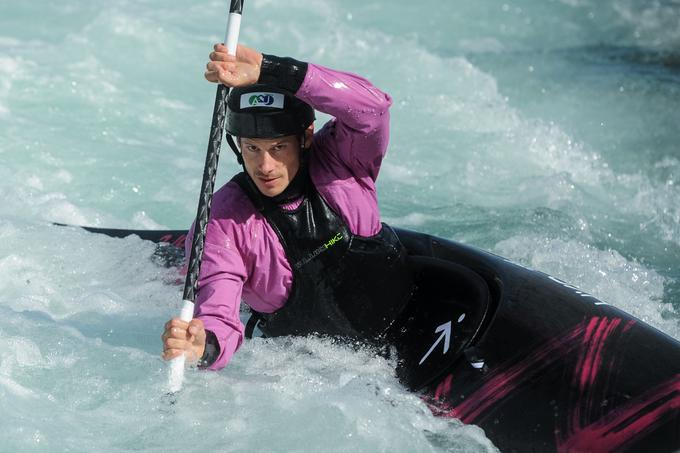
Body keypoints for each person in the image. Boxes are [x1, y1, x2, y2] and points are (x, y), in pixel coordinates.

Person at [161, 42, 414, 369]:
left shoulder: (343, 159)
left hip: (411, 320)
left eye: (278, 147)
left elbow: (372, 109)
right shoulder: (222, 223)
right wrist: (203, 345)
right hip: (324, 368)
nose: (264, 165)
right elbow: (220, 314)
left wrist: (274, 70)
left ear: (305, 136)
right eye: (252, 148)